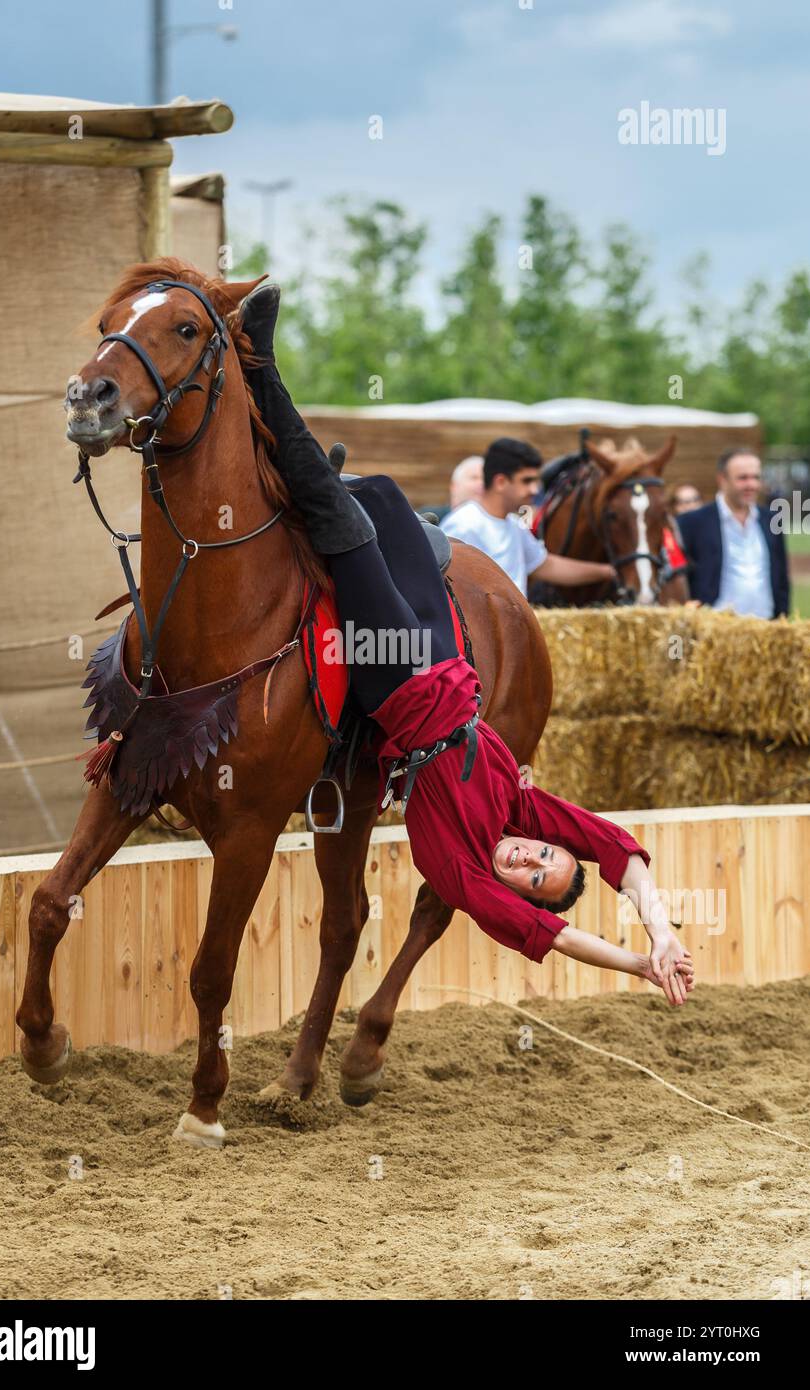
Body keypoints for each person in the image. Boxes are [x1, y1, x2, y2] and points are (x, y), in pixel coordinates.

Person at [239, 286, 694, 1005]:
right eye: (546, 856)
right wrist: (661, 928)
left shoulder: (463, 875)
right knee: (383, 496)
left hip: (400, 681)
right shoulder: (523, 810)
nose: (528, 856)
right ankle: (304, 477)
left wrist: (636, 966)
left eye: (531, 876)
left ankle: (258, 371)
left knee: (344, 519)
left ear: (517, 895)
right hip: (449, 659)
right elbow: (620, 852)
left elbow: (560, 937)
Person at [441, 437, 617, 599]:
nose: (535, 489)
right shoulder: (463, 525)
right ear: (500, 482)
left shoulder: (515, 525)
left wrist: (609, 571)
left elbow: (546, 565)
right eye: (527, 481)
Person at [677, 450, 790, 619]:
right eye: (743, 478)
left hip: (766, 630)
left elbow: (781, 579)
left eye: (756, 477)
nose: (751, 484)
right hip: (715, 630)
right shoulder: (692, 523)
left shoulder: (771, 520)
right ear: (722, 480)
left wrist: (783, 618)